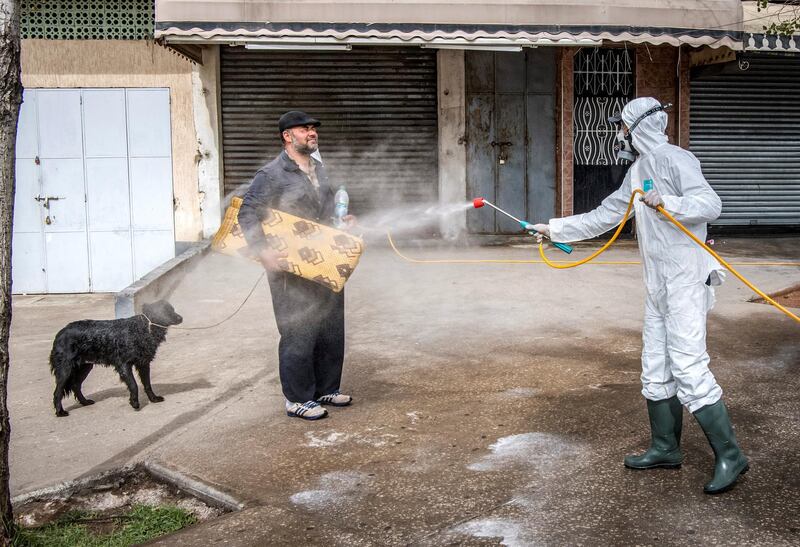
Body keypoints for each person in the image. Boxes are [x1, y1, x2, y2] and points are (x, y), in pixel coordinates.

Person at [532, 97, 748, 494]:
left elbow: (710, 204)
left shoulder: (675, 158)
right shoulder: (638, 171)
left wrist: (671, 203)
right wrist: (554, 229)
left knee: (688, 366)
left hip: (685, 280)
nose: (620, 134)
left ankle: (731, 455)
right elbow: (605, 215)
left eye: (623, 127)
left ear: (637, 127)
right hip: (659, 284)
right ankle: (665, 447)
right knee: (655, 365)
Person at [238, 111, 355, 421]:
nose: (312, 132)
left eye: (313, 128)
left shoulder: (319, 169)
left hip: (326, 258)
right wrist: (262, 250)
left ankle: (326, 388)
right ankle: (297, 399)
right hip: (289, 265)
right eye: (304, 128)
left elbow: (327, 209)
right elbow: (247, 215)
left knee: (330, 326)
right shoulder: (272, 174)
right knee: (298, 329)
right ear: (287, 136)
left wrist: (342, 220)